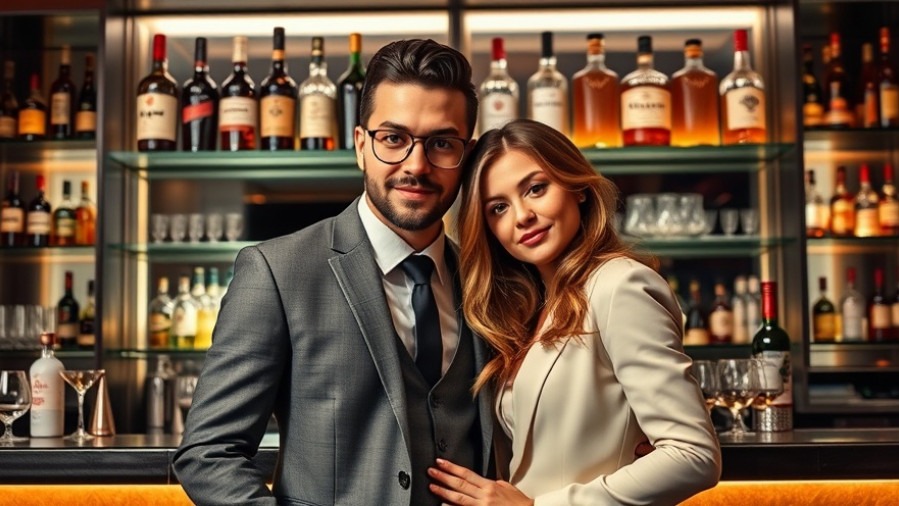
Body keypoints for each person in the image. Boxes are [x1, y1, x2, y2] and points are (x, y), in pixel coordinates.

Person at [173, 39, 495, 506]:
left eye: (442, 143)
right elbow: (208, 453)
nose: (416, 165)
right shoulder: (277, 271)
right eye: (393, 139)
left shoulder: (487, 278)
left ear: (465, 155)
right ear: (361, 145)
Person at [428, 119, 722, 506]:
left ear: (577, 187)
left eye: (536, 189)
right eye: (499, 207)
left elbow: (693, 455)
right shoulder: (531, 309)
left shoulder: (621, 286)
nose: (522, 216)